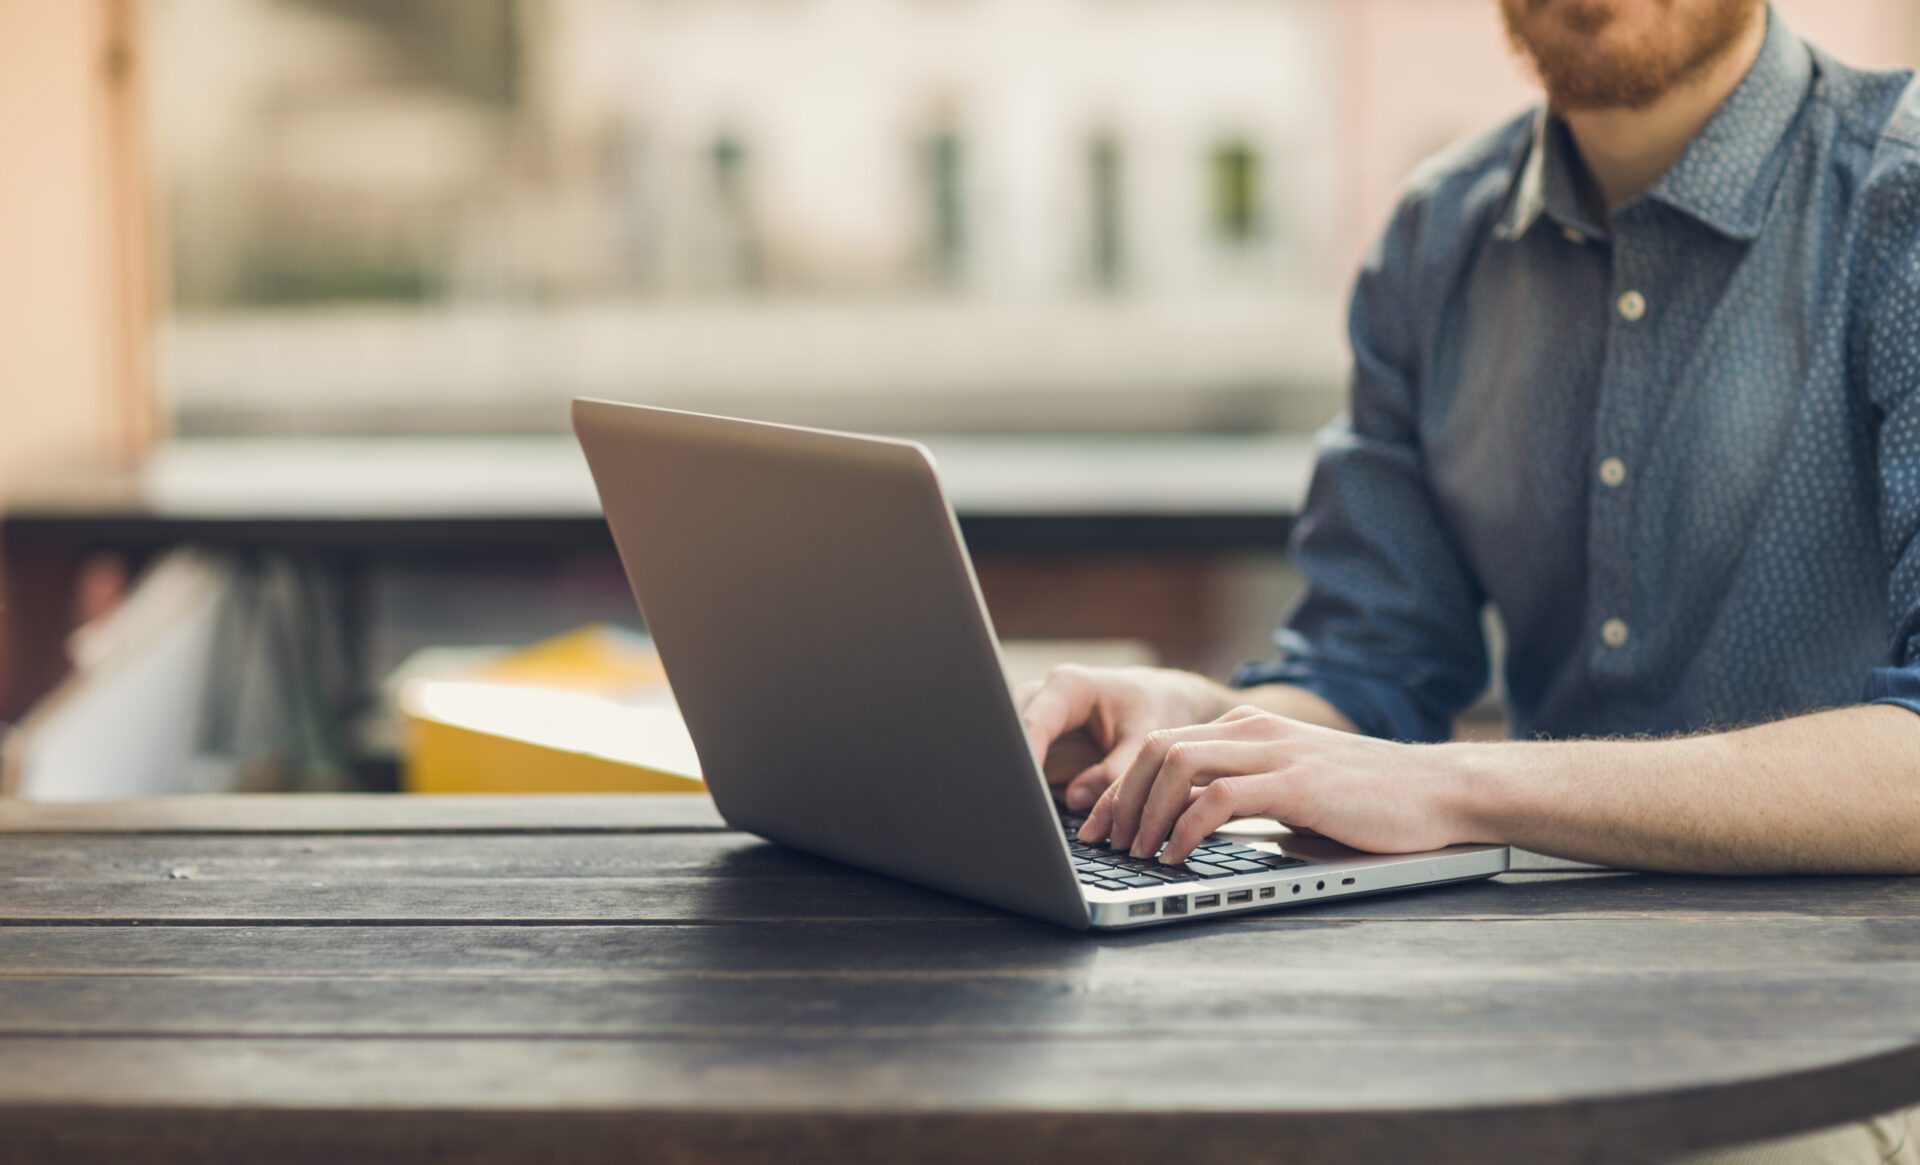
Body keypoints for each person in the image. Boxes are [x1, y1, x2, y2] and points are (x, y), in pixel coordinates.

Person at [1020, 2, 1920, 1160]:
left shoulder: (1898, 209)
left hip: (1850, 1050)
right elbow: (1369, 677)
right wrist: (1208, 727)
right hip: (1531, 1020)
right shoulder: (1435, 238)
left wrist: (1456, 785)